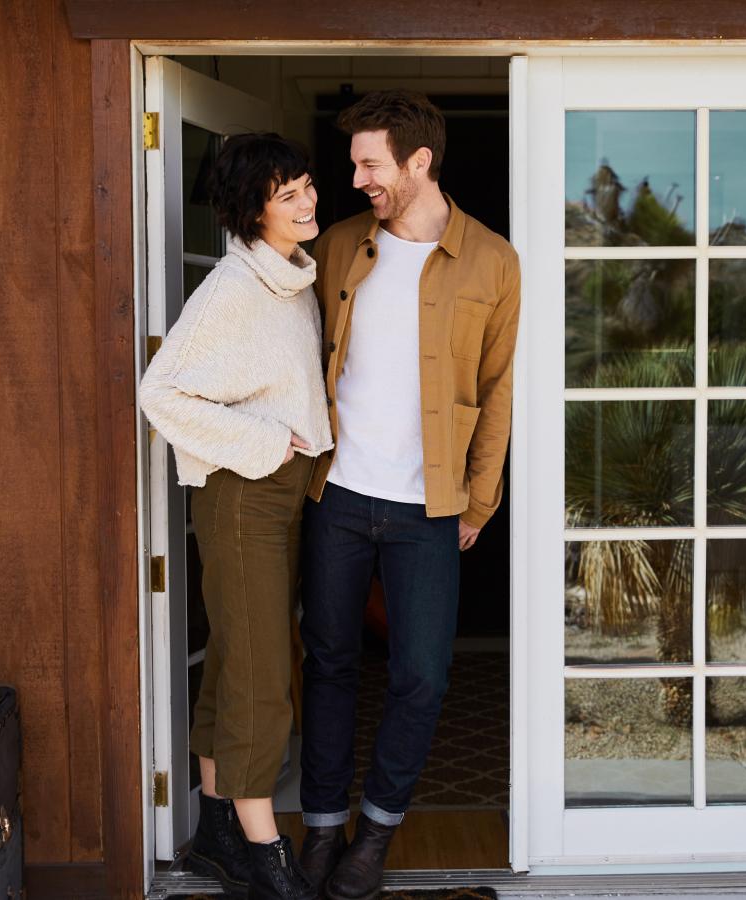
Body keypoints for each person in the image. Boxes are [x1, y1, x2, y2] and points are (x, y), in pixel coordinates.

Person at [298, 90, 521, 899]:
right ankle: (322, 830)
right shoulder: (338, 246)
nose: (358, 178)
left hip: (429, 506)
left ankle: (374, 838)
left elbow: (497, 390)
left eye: (371, 164)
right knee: (328, 665)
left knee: (421, 676)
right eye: (356, 163)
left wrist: (479, 501)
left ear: (419, 161)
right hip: (337, 495)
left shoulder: (493, 261)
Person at [138, 132, 333, 900]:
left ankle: (217, 827)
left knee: (232, 660)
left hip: (279, 491)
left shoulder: (290, 276)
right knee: (261, 676)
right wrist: (264, 441)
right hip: (245, 493)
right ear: (253, 211)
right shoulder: (232, 289)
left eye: (307, 185)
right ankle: (264, 849)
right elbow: (160, 392)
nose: (308, 201)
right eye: (288, 195)